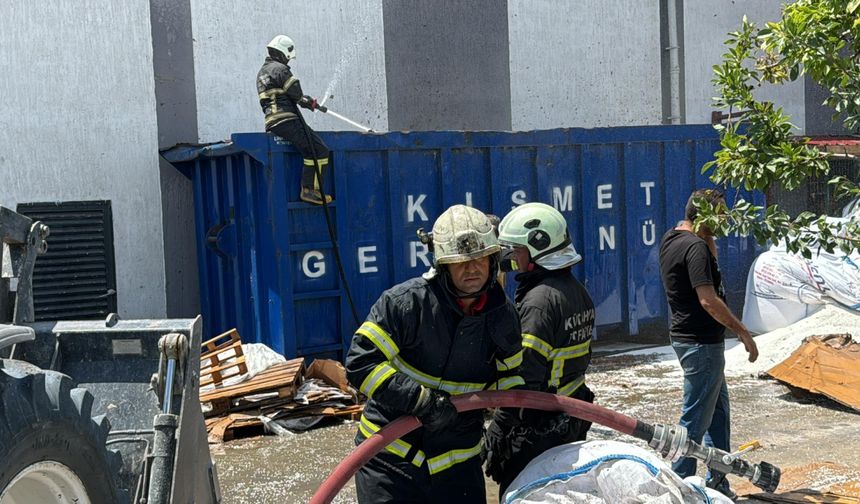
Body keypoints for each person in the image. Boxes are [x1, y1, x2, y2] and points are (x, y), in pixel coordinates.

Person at [345, 204, 525, 503]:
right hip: (390, 461)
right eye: (459, 261)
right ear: (442, 265)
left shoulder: (503, 317)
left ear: (493, 260)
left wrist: (508, 430)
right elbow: (361, 363)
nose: (471, 268)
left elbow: (512, 383)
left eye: (480, 258)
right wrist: (421, 401)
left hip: (458, 465)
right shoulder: (405, 304)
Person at [483, 202, 596, 498]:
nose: (511, 257)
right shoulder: (573, 289)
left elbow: (525, 378)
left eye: (516, 250)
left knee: (527, 494)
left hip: (540, 425)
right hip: (570, 415)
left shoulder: (539, 302)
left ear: (537, 251)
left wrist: (500, 427)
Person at [658, 189, 759, 500]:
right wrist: (743, 332)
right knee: (694, 422)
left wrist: (706, 238)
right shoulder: (694, 249)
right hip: (701, 345)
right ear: (705, 216)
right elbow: (708, 300)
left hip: (694, 341)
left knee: (718, 415)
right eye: (721, 214)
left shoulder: (674, 238)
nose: (726, 219)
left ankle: (718, 481)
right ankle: (676, 487)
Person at [256, 35, 332, 205]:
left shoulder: (262, 72)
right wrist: (310, 102)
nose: (288, 62)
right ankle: (310, 190)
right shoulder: (281, 69)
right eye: (288, 57)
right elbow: (297, 95)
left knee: (311, 148)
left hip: (272, 121)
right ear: (283, 53)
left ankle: (309, 189)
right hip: (287, 119)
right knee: (319, 150)